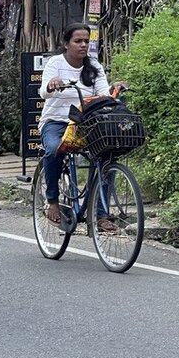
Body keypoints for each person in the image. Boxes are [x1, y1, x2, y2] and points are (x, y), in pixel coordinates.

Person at [38, 24, 110, 226]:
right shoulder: (55, 63)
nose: (83, 45)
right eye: (78, 41)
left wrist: (114, 91)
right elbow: (43, 92)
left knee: (107, 155)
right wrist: (52, 85)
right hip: (56, 122)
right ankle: (52, 201)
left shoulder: (94, 66)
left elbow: (103, 94)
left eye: (86, 41)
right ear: (66, 43)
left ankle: (102, 214)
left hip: (85, 123)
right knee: (54, 149)